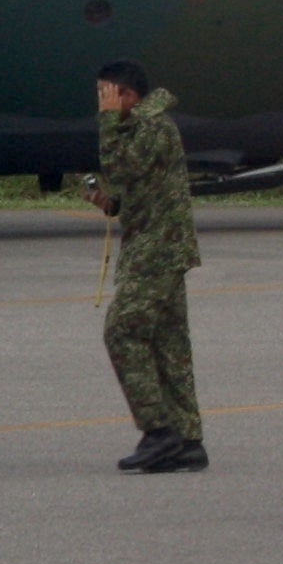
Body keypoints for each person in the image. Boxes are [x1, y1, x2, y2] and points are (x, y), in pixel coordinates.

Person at [90, 60, 206, 473]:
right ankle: (188, 438)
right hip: (159, 244)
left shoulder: (153, 126)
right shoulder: (141, 127)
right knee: (169, 344)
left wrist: (106, 125)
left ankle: (159, 432)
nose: (101, 103)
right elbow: (136, 182)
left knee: (121, 331)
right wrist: (113, 202)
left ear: (129, 97)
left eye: (107, 94)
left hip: (157, 249)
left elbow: (122, 167)